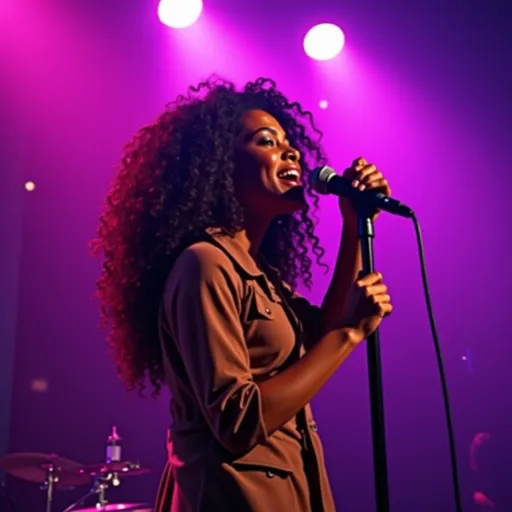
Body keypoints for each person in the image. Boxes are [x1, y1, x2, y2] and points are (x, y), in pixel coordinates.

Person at [93, 76, 393, 511]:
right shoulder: (205, 264)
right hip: (237, 498)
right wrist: (348, 336)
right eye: (266, 142)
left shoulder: (259, 274)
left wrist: (353, 226)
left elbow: (319, 337)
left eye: (289, 142)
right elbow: (237, 420)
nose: (290, 151)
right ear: (219, 166)